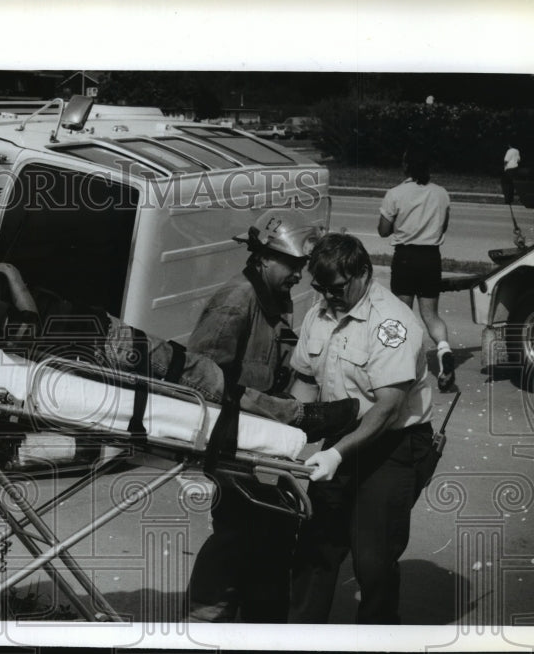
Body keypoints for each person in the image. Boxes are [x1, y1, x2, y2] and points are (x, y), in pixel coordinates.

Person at [182, 208, 359, 623]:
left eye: (303, 266)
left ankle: (257, 620)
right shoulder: (236, 301)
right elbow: (202, 380)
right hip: (231, 438)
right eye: (293, 265)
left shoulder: (272, 299)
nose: (299, 275)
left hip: (260, 437)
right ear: (263, 256)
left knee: (273, 528)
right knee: (238, 532)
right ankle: (205, 618)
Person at [287, 233, 436, 624]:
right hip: (342, 436)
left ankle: (377, 638)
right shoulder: (318, 314)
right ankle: (297, 637)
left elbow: (388, 409)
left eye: (336, 288)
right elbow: (304, 382)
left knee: (373, 560)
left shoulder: (393, 324)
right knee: (316, 547)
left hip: (393, 445)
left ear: (363, 274)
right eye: (319, 288)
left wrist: (336, 453)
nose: (327, 297)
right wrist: (285, 439)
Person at [377, 145, 455, 391]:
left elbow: (383, 230)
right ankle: (444, 350)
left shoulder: (395, 194)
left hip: (406, 258)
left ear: (406, 166)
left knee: (403, 315)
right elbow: (444, 227)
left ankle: (404, 366)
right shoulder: (442, 194)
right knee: (431, 315)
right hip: (431, 258)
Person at [501, 139, 521, 205]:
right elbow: (519, 160)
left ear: (509, 145)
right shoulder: (517, 150)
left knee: (506, 184)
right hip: (515, 168)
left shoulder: (509, 151)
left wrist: (504, 167)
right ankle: (511, 198)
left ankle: (507, 199)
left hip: (509, 168)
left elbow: (506, 160)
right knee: (512, 184)